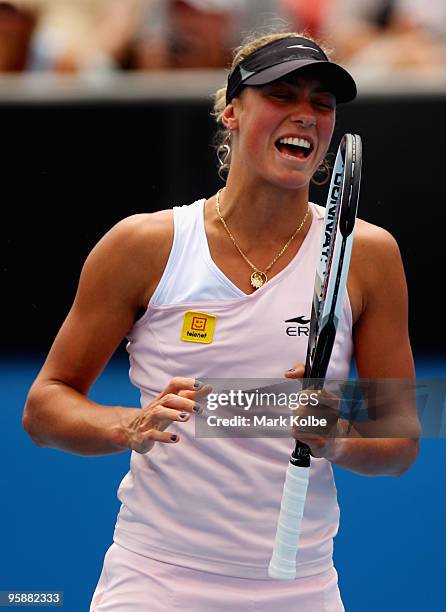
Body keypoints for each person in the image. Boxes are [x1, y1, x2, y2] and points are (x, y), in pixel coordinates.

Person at [23, 30, 419, 611]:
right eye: (283, 95)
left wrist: (339, 437)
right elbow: (45, 406)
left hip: (302, 587)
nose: (306, 115)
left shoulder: (371, 256)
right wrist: (127, 426)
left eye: (322, 103)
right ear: (232, 112)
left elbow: (401, 436)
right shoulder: (143, 245)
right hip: (154, 582)